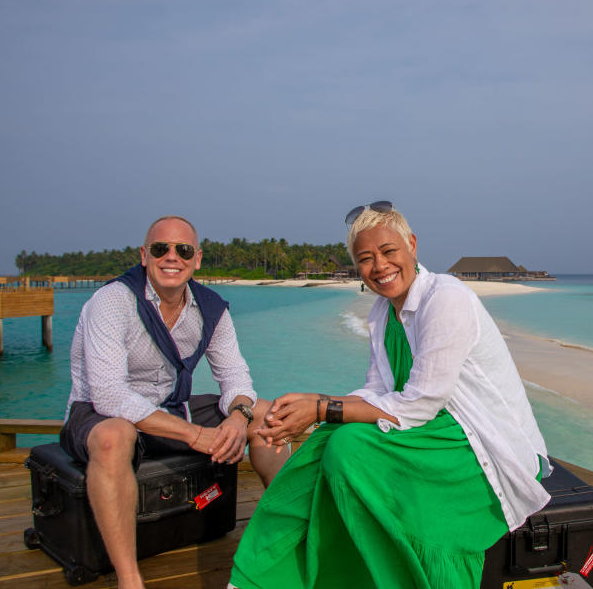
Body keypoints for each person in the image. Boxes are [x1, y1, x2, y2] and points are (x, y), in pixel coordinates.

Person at [229, 202, 551, 589]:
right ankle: (272, 576)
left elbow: (420, 403)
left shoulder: (445, 299)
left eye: (388, 251)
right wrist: (315, 406)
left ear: (411, 245)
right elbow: (378, 390)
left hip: (482, 445)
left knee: (348, 446)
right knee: (329, 439)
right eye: (365, 259)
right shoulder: (383, 313)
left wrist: (320, 407)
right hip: (432, 430)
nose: (379, 266)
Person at [59, 215, 287, 589]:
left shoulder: (210, 308)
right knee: (114, 436)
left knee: (269, 413)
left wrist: (238, 416)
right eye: (160, 248)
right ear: (144, 255)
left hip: (170, 408)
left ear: (196, 259)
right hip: (98, 414)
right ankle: (129, 579)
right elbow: (109, 394)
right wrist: (196, 436)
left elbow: (234, 377)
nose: (171, 257)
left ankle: (285, 529)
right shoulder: (112, 301)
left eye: (182, 250)